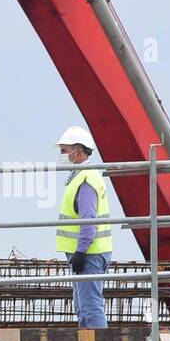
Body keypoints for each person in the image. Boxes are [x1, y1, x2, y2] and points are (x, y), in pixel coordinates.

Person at [55, 124, 111, 329]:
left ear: (77, 152)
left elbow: (88, 220)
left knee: (90, 306)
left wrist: (80, 251)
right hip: (88, 252)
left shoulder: (86, 179)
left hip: (89, 253)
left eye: (64, 150)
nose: (61, 155)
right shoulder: (81, 176)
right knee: (82, 306)